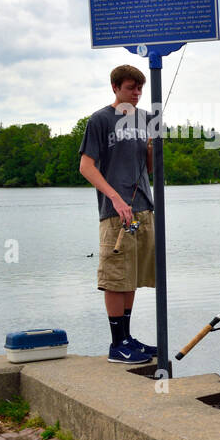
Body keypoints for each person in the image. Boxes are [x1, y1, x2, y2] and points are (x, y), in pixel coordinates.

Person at [78, 64, 157, 363]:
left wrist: (152, 149)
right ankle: (116, 344)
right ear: (115, 88)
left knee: (131, 276)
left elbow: (150, 169)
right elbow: (86, 166)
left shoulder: (147, 119)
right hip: (115, 212)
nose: (136, 94)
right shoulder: (100, 120)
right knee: (115, 276)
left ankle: (127, 337)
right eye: (129, 88)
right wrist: (114, 198)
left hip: (143, 208)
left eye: (139, 89)